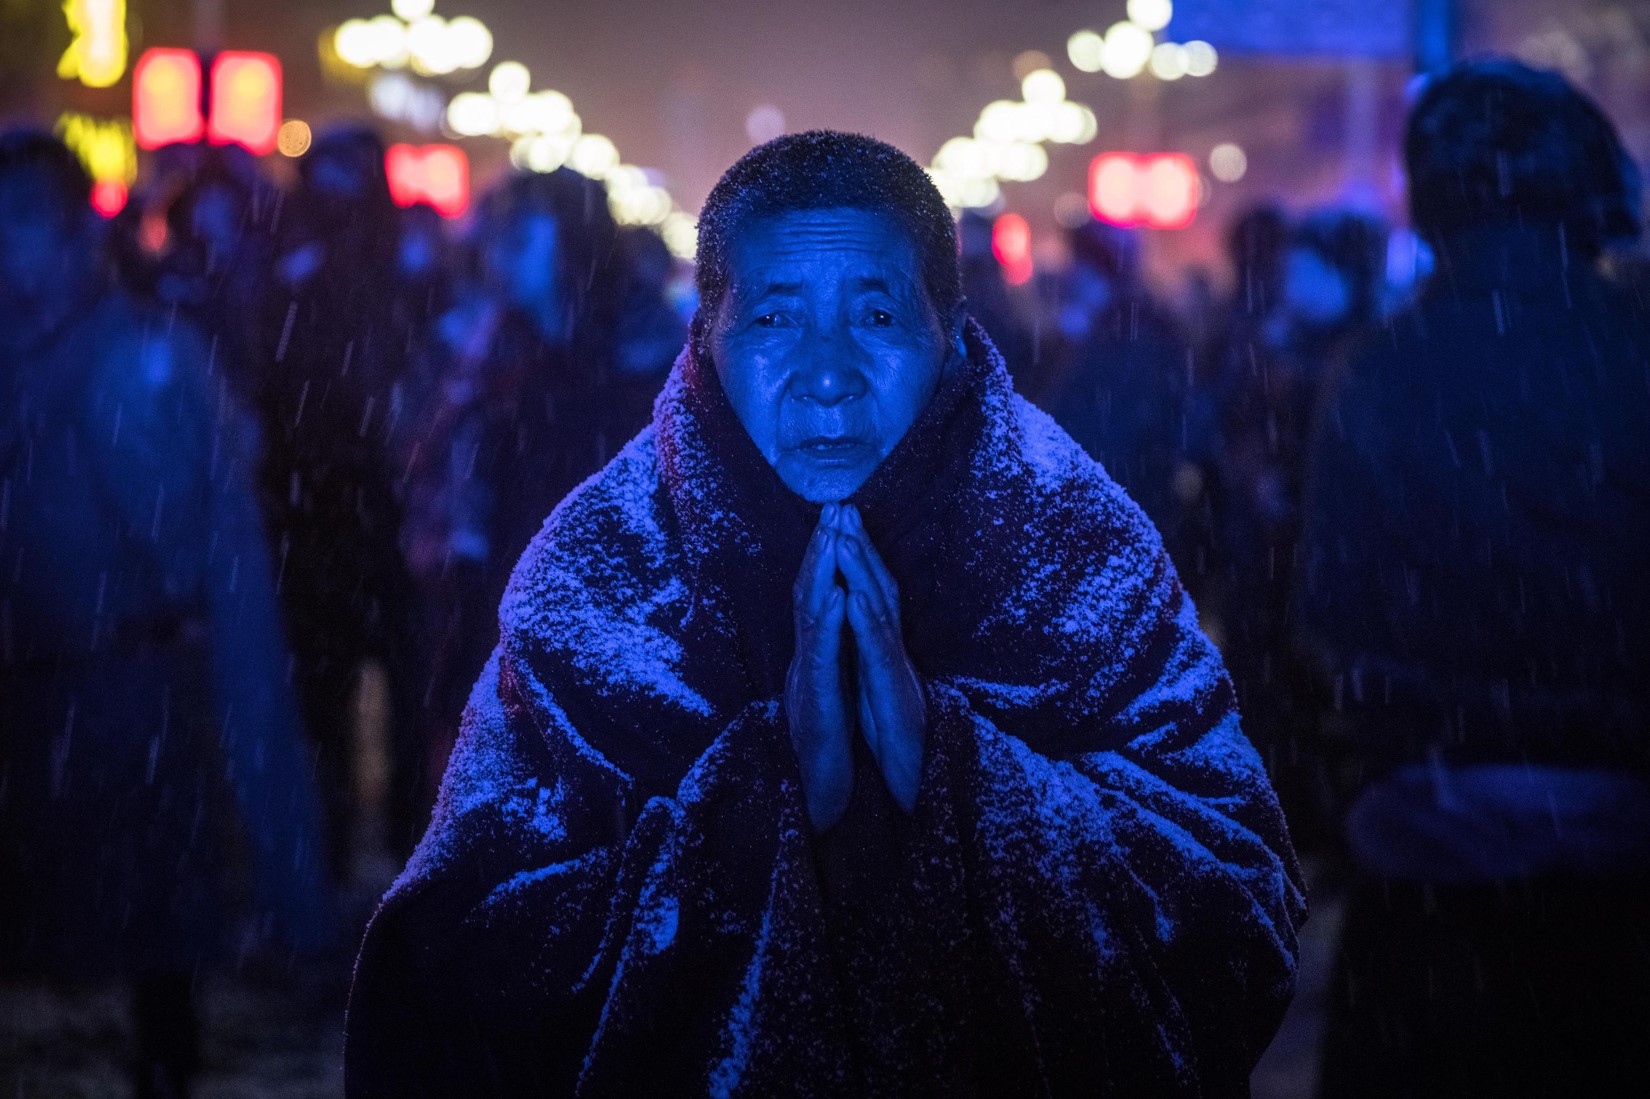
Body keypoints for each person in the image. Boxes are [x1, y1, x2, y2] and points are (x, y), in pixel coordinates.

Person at [346, 131, 1304, 1095]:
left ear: (950, 333)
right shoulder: (603, 568)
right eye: (775, 318)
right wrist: (768, 792)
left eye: (877, 314)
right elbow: (463, 966)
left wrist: (954, 770)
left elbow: (1234, 909)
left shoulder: (1072, 542)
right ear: (706, 337)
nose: (829, 372)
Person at [1294, 60, 1650, 1096]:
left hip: (1429, 856)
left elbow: (1328, 614)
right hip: (1622, 861)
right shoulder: (1632, 352)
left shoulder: (1380, 367)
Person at [0, 132, 329, 1098]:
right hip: (32, 688)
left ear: (73, 235)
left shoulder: (148, 357)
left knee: (156, 931)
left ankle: (165, 1054)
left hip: (136, 687)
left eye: (22, 224)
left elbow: (214, 562)